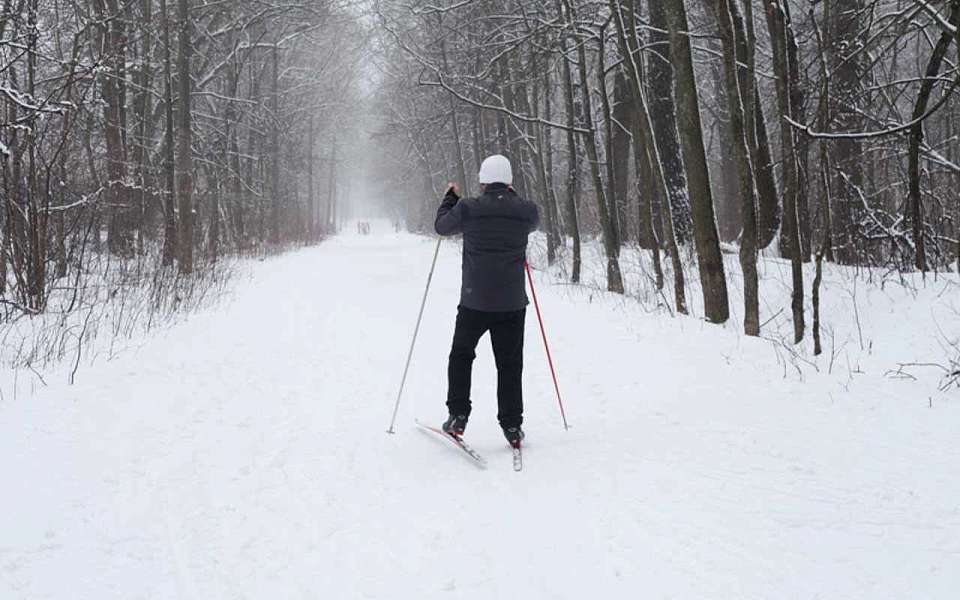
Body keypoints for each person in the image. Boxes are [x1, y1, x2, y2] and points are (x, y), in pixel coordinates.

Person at [434, 154, 540, 448]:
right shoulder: (526, 211)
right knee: (509, 364)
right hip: (511, 304)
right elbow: (528, 217)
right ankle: (512, 425)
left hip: (475, 302)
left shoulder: (468, 208)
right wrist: (510, 195)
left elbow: (442, 226)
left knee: (461, 355)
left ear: (482, 181)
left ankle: (457, 416)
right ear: (509, 182)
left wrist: (449, 198)